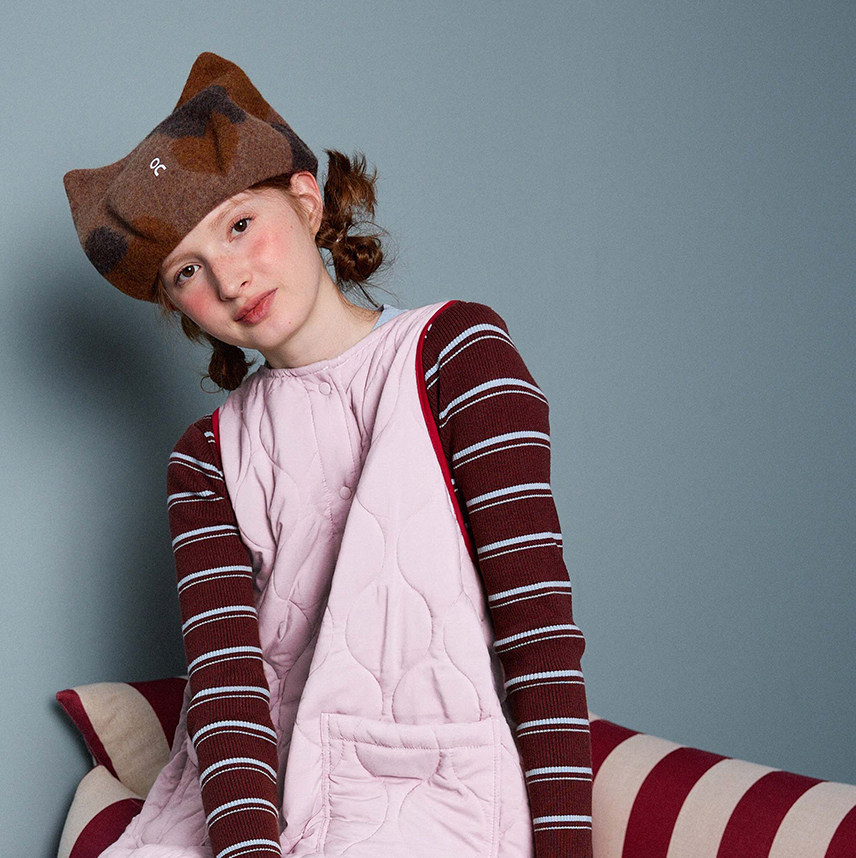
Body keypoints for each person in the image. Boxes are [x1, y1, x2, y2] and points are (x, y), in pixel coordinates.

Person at [64, 53, 592, 858]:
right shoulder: (204, 459)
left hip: (432, 794)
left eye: (240, 225)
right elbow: (229, 693)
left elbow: (538, 628)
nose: (230, 280)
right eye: (188, 271)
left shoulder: (459, 355)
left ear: (306, 201)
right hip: (248, 808)